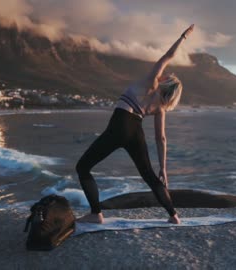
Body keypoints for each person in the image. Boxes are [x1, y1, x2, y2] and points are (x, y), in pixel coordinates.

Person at [75, 24, 195, 224]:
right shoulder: (161, 108)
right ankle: (174, 216)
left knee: (83, 167)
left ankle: (96, 214)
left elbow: (168, 56)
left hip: (120, 123)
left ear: (166, 81)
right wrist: (163, 168)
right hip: (135, 131)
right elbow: (161, 139)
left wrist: (183, 36)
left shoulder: (152, 81)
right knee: (150, 176)